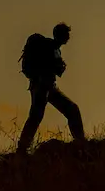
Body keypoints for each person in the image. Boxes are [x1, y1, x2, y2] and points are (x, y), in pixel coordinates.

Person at [17, 22, 86, 154]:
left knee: (70, 110)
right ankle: (22, 148)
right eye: (66, 34)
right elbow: (52, 68)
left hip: (47, 86)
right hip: (43, 86)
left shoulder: (54, 48)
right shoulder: (50, 47)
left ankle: (80, 141)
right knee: (37, 115)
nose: (68, 37)